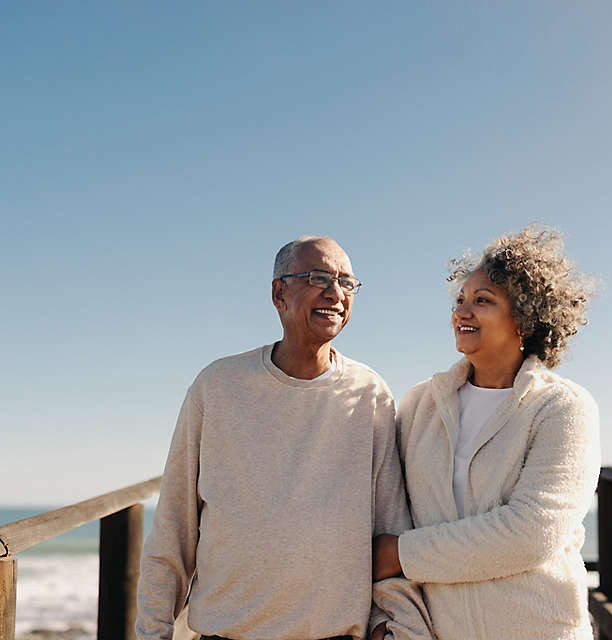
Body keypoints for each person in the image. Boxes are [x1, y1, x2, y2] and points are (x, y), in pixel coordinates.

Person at [136, 236, 413, 640]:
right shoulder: (217, 386)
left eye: (347, 282)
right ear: (279, 293)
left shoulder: (370, 394)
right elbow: (172, 531)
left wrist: (394, 626)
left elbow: (391, 529)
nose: (335, 293)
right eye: (319, 277)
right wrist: (152, 633)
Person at [371, 225, 600, 640]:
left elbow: (532, 532)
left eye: (483, 301)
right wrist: (396, 625)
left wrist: (400, 554)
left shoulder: (564, 408)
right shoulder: (418, 405)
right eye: (460, 300)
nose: (463, 311)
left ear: (525, 319)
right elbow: (391, 515)